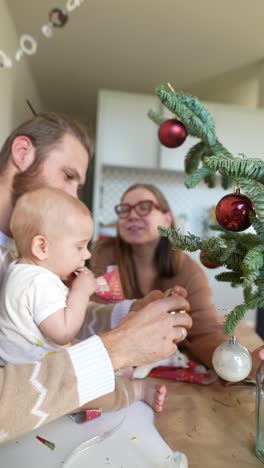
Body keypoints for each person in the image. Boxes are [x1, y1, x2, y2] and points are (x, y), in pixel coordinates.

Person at [0, 114, 192, 443]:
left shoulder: (24, 253)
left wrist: (125, 317)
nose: (74, 196)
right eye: (68, 176)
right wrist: (113, 351)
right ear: (22, 153)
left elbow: (43, 319)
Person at [0, 187, 173, 414]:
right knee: (98, 391)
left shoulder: (20, 271)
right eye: (79, 246)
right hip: (36, 376)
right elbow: (62, 333)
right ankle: (138, 390)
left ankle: (123, 371)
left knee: (90, 355)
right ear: (42, 247)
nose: (87, 255)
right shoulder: (39, 282)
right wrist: (80, 293)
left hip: (27, 365)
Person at [91, 183, 264, 373]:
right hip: (114, 370)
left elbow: (206, 333)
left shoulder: (189, 272)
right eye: (124, 209)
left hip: (165, 375)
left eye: (144, 207)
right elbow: (95, 317)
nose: (132, 215)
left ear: (167, 219)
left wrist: (240, 364)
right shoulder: (104, 253)